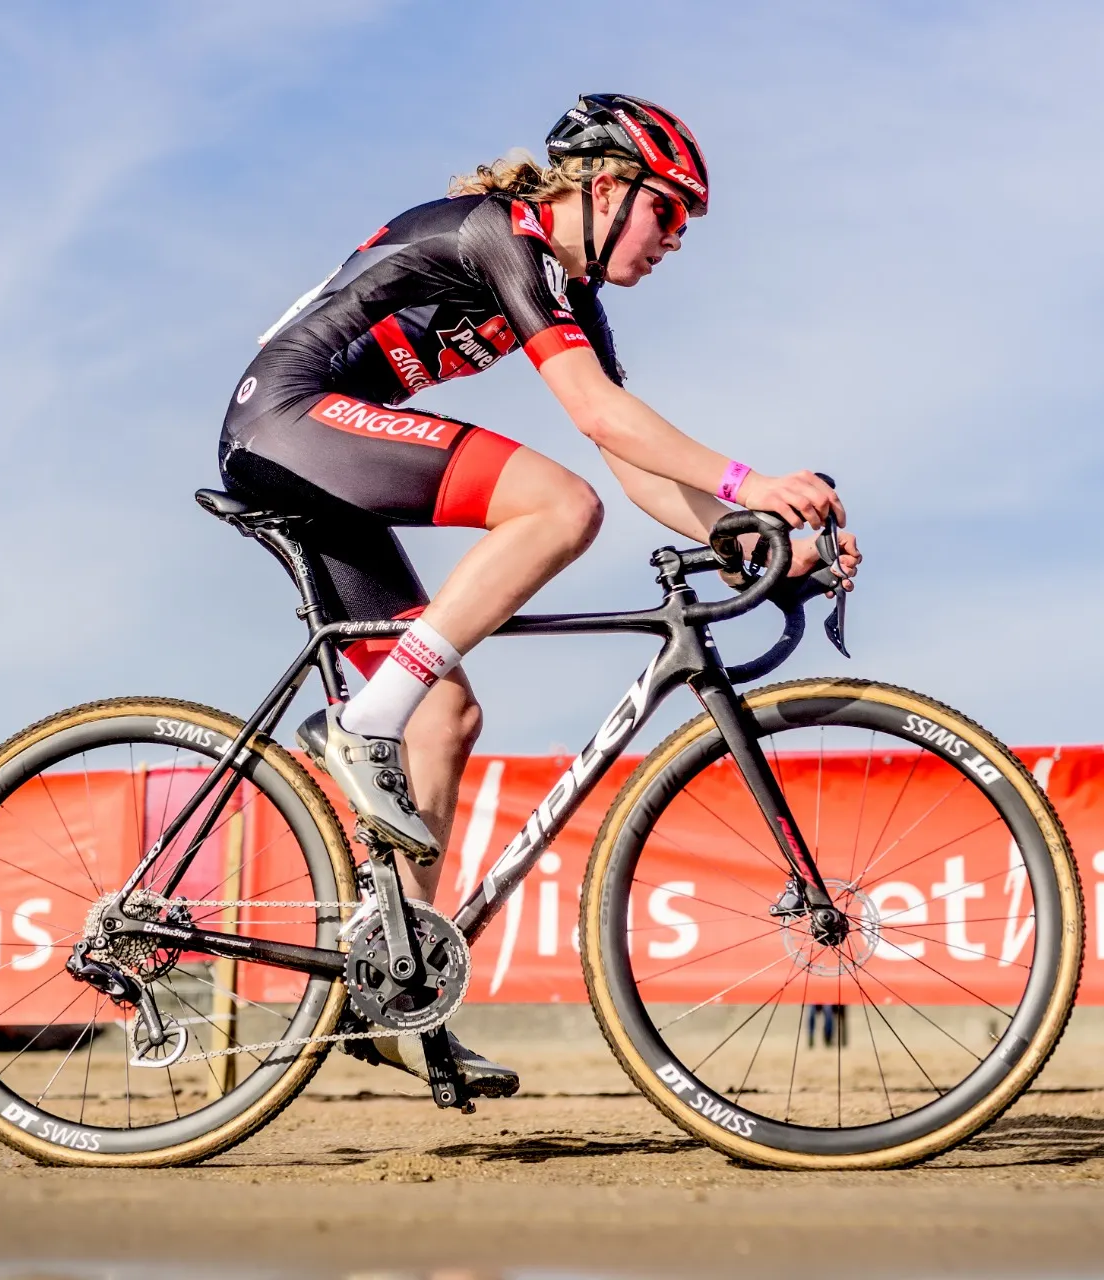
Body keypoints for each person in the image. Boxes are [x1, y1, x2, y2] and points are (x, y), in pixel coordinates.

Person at [219, 94, 860, 1096]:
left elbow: (633, 458)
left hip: (320, 449)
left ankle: (394, 993)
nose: (675, 240)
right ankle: (363, 724)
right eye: (669, 211)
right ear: (604, 186)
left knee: (445, 712)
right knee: (556, 505)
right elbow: (598, 416)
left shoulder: (567, 293)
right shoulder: (499, 235)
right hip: (288, 424)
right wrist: (750, 481)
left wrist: (757, 538)